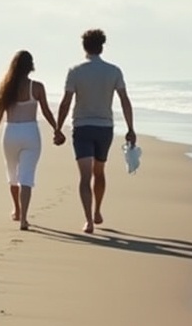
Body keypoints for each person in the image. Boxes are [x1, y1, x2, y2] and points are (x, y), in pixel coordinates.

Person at [55, 29, 136, 234]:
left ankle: (88, 220)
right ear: (101, 46)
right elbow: (124, 100)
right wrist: (130, 128)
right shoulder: (113, 71)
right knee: (99, 172)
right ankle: (97, 210)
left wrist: (58, 128)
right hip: (104, 128)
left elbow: (66, 103)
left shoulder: (75, 71)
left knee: (84, 176)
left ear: (84, 47)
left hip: (82, 127)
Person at [0, 50, 65, 230]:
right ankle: (24, 219)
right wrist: (56, 129)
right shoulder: (37, 87)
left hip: (10, 132)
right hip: (30, 133)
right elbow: (46, 111)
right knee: (26, 176)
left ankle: (17, 209)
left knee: (13, 174)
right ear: (31, 66)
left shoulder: (6, 87)